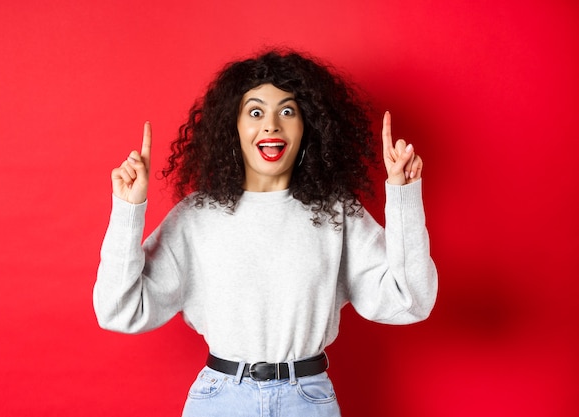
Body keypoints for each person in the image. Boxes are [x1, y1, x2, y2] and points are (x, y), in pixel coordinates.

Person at [93, 49, 438, 416]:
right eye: (255, 112)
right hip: (221, 400)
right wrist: (128, 210)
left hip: (307, 400)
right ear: (234, 126)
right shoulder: (196, 217)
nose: (271, 125)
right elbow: (119, 311)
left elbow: (410, 301)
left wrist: (404, 194)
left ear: (307, 126)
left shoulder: (336, 213)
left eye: (287, 111)